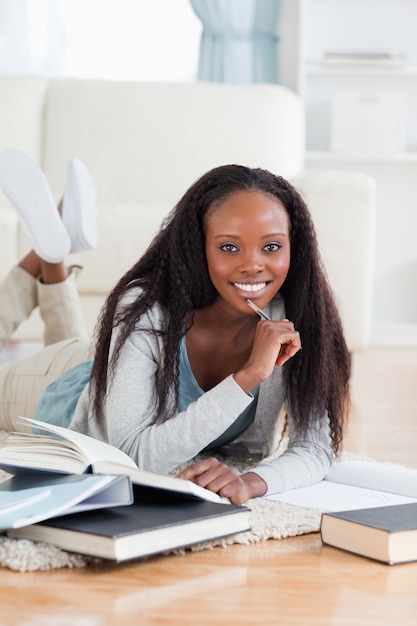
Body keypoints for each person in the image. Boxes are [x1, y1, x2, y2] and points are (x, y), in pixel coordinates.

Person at [0, 162, 351, 505]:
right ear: (200, 247)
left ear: (294, 247)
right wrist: (247, 378)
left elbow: (313, 448)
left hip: (114, 363)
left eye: (271, 247)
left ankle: (52, 253)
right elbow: (132, 455)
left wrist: (251, 481)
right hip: (61, 385)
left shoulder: (298, 318)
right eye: (229, 247)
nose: (253, 264)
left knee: (77, 339)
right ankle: (47, 255)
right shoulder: (146, 308)